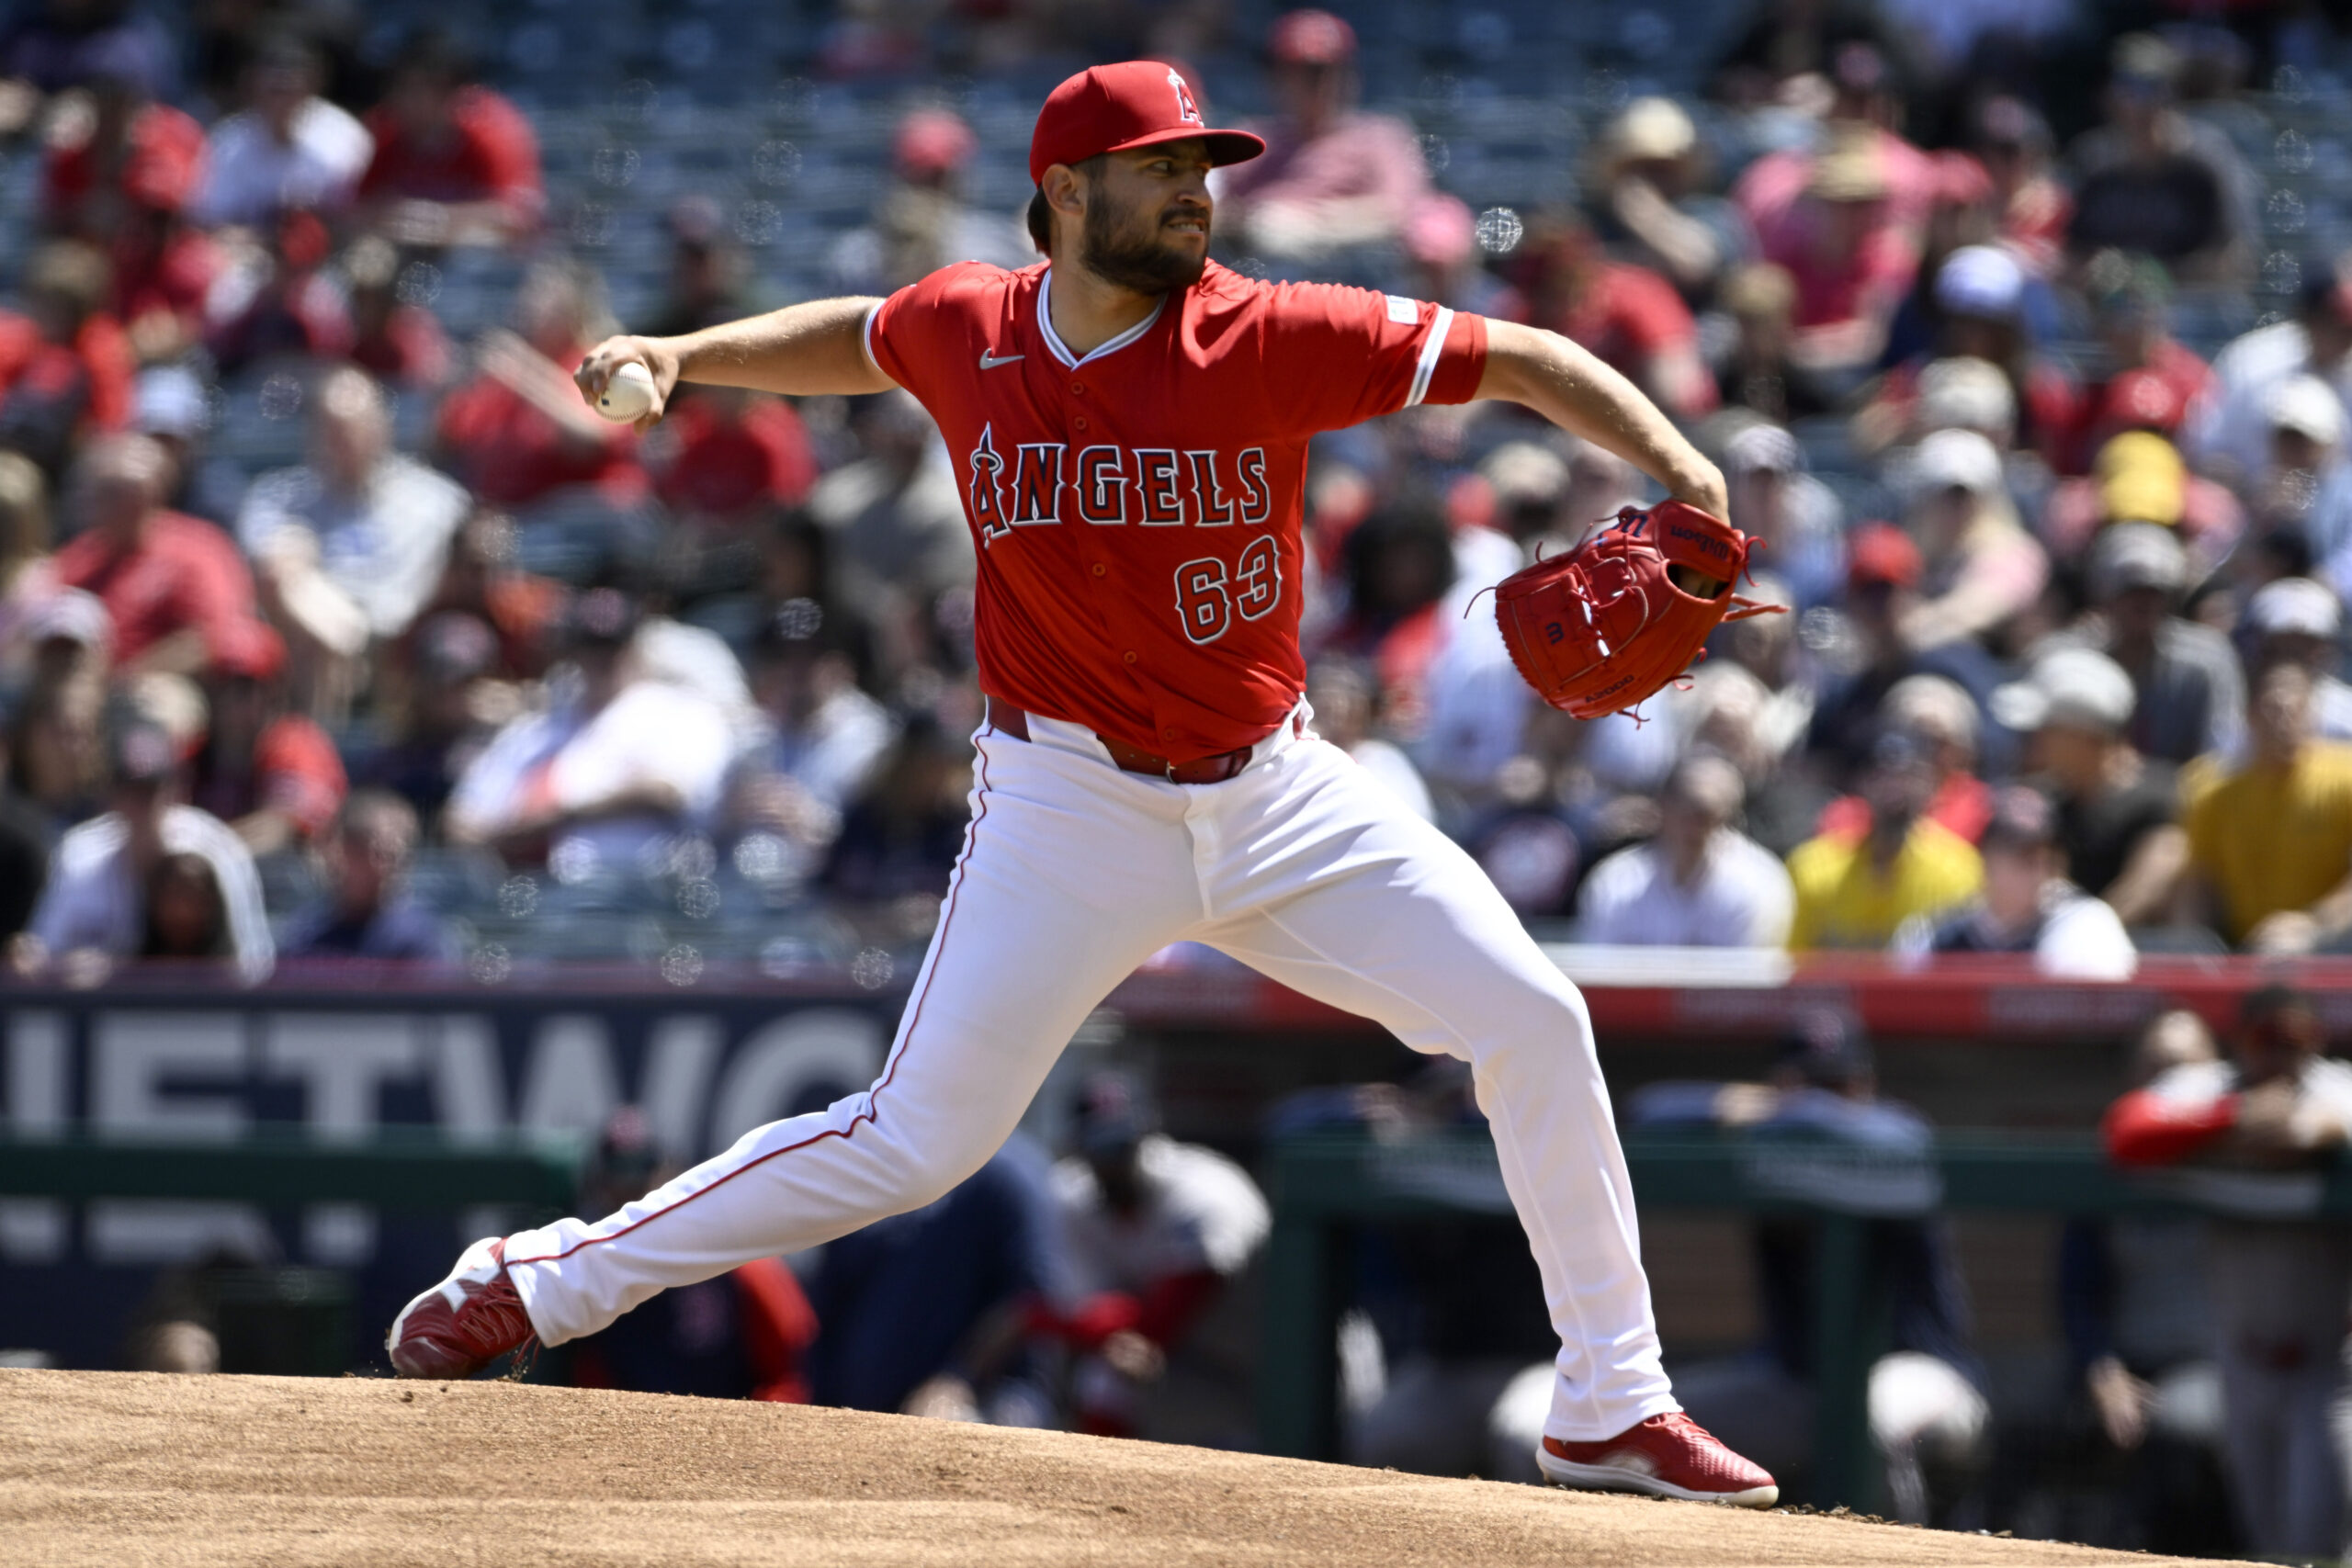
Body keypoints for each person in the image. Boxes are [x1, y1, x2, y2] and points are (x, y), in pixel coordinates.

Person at [389, 59, 1785, 1507]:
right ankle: (536, 1281)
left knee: (1535, 1016)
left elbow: (1525, 358)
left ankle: (1612, 1400)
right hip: (1066, 809)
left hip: (1279, 793)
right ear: (1066, 191)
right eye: (1163, 167)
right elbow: (862, 340)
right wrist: (687, 353)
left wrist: (1688, 466)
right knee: (915, 1140)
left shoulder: (1271, 331)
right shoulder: (971, 325)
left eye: (1204, 167)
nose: (1197, 191)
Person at [1621, 1011, 1988, 1521]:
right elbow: (1646, 1113)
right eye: (1807, 1083)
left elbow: (1900, 1137)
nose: (1824, 1100)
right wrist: (1766, 1106)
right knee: (1647, 1430)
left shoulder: (1893, 1131)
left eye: (1838, 1084)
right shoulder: (1768, 1125)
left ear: (1867, 1084)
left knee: (1866, 1420)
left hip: (1924, 1370)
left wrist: (1794, 1105)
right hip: (1794, 1382)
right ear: (1776, 1085)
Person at [2103, 986, 2352, 1559]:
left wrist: (2311, 1130)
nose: (2278, 1057)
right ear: (2241, 1042)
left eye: (2293, 1042)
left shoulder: (2335, 1088)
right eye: (2265, 1040)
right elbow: (2124, 1130)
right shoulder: (2212, 1090)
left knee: (2315, 1539)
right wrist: (2231, 1119)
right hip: (2242, 1361)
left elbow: (2315, 1123)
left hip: (2327, 1368)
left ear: (2314, 1043)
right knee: (2263, 1543)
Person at [2057, 1010, 2233, 1559]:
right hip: (2127, 1362)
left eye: (2180, 1065)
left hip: (2214, 1363)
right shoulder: (2111, 1161)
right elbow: (2076, 1291)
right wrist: (2101, 1369)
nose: (2167, 1079)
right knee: (2033, 1433)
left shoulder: (2244, 1155)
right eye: (2154, 1066)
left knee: (2180, 1427)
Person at [1036, 1073, 1268, 1438]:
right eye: (1099, 1149)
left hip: (1279, 1366)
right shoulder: (1072, 1197)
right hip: (1189, 1370)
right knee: (1102, 1383)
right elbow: (1093, 1311)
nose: (1111, 1162)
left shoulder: (1206, 1192)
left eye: (1121, 1147)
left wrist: (1039, 1319)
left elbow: (1163, 1322)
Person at [442, 587, 731, 876]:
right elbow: (460, 821)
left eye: (612, 645)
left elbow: (668, 791)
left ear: (634, 645)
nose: (600, 658)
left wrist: (559, 814)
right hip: (534, 896)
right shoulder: (536, 730)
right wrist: (507, 835)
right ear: (572, 651)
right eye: (590, 645)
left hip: (640, 892)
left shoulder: (677, 711)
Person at [236, 366, 469, 714]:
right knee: (288, 587)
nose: (342, 440)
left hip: (402, 638)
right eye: (330, 429)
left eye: (352, 427)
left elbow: (455, 571)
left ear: (381, 426)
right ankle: (324, 734)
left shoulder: (434, 499)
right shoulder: (280, 497)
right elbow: (271, 572)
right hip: (314, 638)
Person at [21, 718, 270, 985]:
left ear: (177, 791)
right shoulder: (80, 856)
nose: (142, 806)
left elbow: (254, 965)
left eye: (152, 791)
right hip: (103, 1017)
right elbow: (39, 955)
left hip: (202, 1013)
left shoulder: (216, 850)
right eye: (131, 791)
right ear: (110, 796)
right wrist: (62, 968)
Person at [1993, 647, 2185, 931]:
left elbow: (2149, 887)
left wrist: (2084, 939)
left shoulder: (2162, 798)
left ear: (2083, 734)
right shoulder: (2047, 801)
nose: (2035, 741)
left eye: (2047, 729)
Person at [1214, 11, 1427, 265]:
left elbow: (1403, 212)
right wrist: (1251, 221)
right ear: (1276, 77)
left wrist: (1313, 225)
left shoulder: (1379, 137)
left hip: (1354, 276)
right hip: (1257, 271)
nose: (1319, 84)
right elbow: (1209, 214)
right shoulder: (1250, 137)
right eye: (1303, 72)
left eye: (1326, 72)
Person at [50, 432, 265, 679]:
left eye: (134, 491)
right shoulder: (77, 559)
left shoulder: (197, 549)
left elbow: (210, 637)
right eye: (110, 492)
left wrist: (127, 681)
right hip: (86, 687)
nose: (125, 504)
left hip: (167, 688)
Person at [2181, 661, 2352, 953]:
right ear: (2248, 715)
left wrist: (2313, 923)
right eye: (2271, 709)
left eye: (2294, 710)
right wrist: (2195, 943)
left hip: (2330, 946)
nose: (2282, 721)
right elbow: (2200, 881)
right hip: (2243, 946)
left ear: (2312, 715)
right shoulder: (2214, 792)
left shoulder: (2344, 779)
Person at [1906, 785, 2135, 977]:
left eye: (2041, 855)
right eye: (2018, 853)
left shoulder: (2084, 922)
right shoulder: (1936, 932)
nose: (2035, 868)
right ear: (1986, 858)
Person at [1787, 729, 1984, 951]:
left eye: (1911, 775)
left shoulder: (1959, 870)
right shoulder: (1812, 868)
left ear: (1931, 785)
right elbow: (1795, 963)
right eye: (1883, 774)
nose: (1896, 787)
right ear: (1861, 783)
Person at [1574, 752, 1793, 947]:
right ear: (1663, 806)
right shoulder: (1616, 882)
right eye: (1686, 807)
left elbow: (1748, 983)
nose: (1695, 826)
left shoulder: (1759, 883)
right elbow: (1600, 975)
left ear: (1730, 816)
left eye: (1709, 814)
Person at [356, 29, 541, 246]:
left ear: (452, 92)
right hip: (404, 253)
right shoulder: (385, 128)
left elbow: (518, 218)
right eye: (401, 88)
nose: (406, 100)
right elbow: (357, 209)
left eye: (420, 89)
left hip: (480, 261)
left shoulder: (493, 131)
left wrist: (436, 218)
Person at [195, 30, 371, 228]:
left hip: (329, 249)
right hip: (249, 250)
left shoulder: (344, 136)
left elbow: (357, 215)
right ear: (251, 85)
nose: (282, 100)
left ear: (315, 84)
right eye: (274, 89)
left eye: (290, 88)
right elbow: (208, 220)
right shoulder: (227, 141)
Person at [276, 790, 457, 964]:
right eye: (375, 853)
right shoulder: (308, 932)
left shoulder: (419, 938)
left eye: (395, 856)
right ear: (340, 850)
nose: (387, 867)